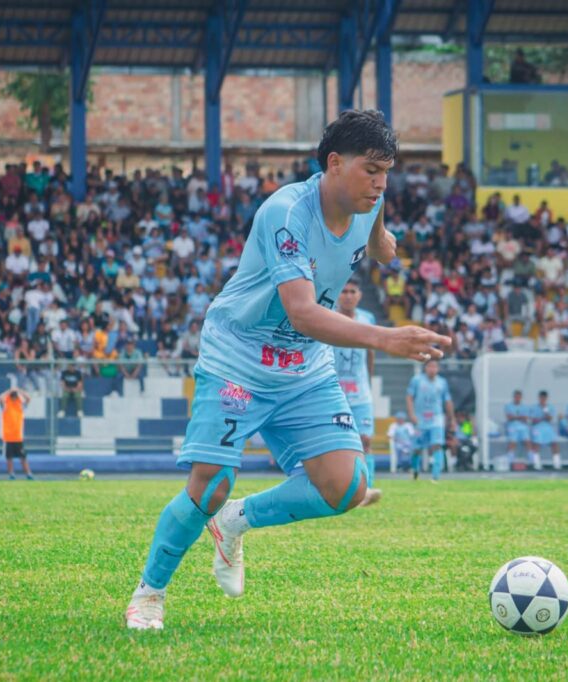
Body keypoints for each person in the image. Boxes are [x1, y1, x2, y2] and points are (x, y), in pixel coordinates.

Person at [125, 110, 450, 630]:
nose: (381, 183)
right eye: (371, 170)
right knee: (210, 486)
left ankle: (235, 523)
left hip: (303, 365)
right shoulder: (286, 212)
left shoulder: (371, 201)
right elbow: (300, 310)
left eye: (387, 170)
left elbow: (377, 227)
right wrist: (387, 337)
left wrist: (382, 244)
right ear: (334, 164)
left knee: (347, 487)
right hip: (240, 356)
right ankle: (149, 593)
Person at [335, 277, 381, 504]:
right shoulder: (328, 317)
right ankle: (340, 487)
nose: (348, 295)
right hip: (334, 393)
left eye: (352, 291)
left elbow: (370, 351)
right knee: (337, 443)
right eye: (344, 291)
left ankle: (367, 490)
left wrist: (368, 380)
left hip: (361, 393)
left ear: (360, 295)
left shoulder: (367, 319)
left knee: (365, 440)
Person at [406, 359, 455, 483]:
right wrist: (412, 414)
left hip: (436, 418)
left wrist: (451, 418)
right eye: (430, 366)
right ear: (425, 368)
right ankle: (415, 469)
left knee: (437, 444)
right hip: (420, 418)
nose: (432, 369)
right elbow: (409, 397)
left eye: (435, 366)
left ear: (438, 368)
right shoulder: (417, 380)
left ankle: (435, 476)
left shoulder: (442, 383)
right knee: (417, 448)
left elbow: (447, 401)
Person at [0, 388, 33, 480]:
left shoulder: (20, 406)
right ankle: (11, 474)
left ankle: (28, 474)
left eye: (15, 396)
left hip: (18, 437)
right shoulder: (6, 405)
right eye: (12, 396)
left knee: (23, 457)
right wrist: (9, 390)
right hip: (8, 437)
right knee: (9, 458)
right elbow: (0, 398)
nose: (14, 398)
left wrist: (19, 390)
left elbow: (28, 398)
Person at [530, 390, 562, 470]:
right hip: (537, 427)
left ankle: (556, 463)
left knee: (554, 443)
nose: (543, 399)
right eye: (541, 397)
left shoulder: (550, 407)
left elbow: (550, 418)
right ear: (539, 398)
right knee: (536, 443)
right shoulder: (534, 407)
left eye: (544, 398)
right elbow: (533, 420)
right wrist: (541, 418)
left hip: (547, 427)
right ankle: (537, 463)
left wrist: (545, 412)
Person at [503, 389, 534, 470]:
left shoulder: (525, 407)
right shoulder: (508, 406)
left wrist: (515, 417)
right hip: (512, 426)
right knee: (512, 442)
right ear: (514, 397)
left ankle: (532, 462)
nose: (517, 398)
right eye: (516, 397)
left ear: (521, 398)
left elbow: (526, 418)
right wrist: (519, 417)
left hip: (523, 427)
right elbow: (509, 417)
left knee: (527, 441)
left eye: (519, 397)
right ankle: (510, 462)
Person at [386, 411, 416, 475]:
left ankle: (409, 466)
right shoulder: (393, 425)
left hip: (408, 443)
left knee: (409, 450)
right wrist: (398, 440)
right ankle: (400, 465)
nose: (400, 420)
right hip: (397, 443)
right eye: (399, 419)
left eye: (401, 419)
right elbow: (390, 436)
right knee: (399, 449)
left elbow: (412, 435)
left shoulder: (408, 425)